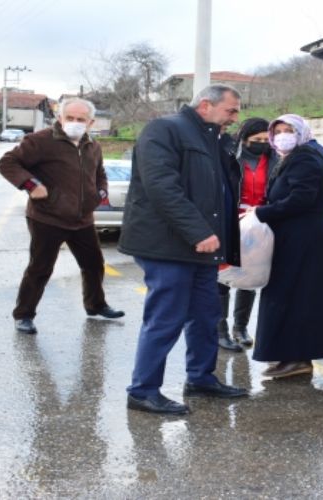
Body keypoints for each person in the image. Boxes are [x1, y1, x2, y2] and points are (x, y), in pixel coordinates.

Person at [119, 84, 248, 415]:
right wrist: (197, 231)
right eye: (231, 110)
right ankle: (143, 390)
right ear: (206, 105)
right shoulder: (165, 129)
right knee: (165, 317)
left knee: (206, 315)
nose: (235, 118)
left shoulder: (214, 138)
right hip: (168, 244)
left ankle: (200, 378)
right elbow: (161, 186)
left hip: (202, 248)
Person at [0, 97, 125, 335]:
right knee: (40, 268)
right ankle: (24, 315)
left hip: (82, 219)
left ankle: (96, 305)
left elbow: (100, 173)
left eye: (81, 119)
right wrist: (31, 184)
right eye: (70, 118)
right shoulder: (40, 141)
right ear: (60, 118)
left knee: (94, 264)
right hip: (47, 217)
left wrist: (100, 192)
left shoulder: (92, 146)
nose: (75, 123)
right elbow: (7, 163)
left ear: (90, 122)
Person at [251, 114, 323, 379]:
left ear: (301, 133)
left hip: (303, 239)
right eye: (278, 130)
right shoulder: (294, 157)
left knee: (298, 298)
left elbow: (301, 199)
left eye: (289, 130)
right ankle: (291, 356)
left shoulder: (305, 158)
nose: (283, 135)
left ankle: (298, 357)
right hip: (296, 237)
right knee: (293, 297)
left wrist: (261, 213)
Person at [217, 117, 279, 352]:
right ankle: (220, 330)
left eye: (266, 139)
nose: (262, 143)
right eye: (256, 140)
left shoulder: (274, 160)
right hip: (230, 222)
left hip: (259, 223)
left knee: (250, 275)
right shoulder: (231, 157)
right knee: (222, 277)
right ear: (244, 139)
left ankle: (240, 328)